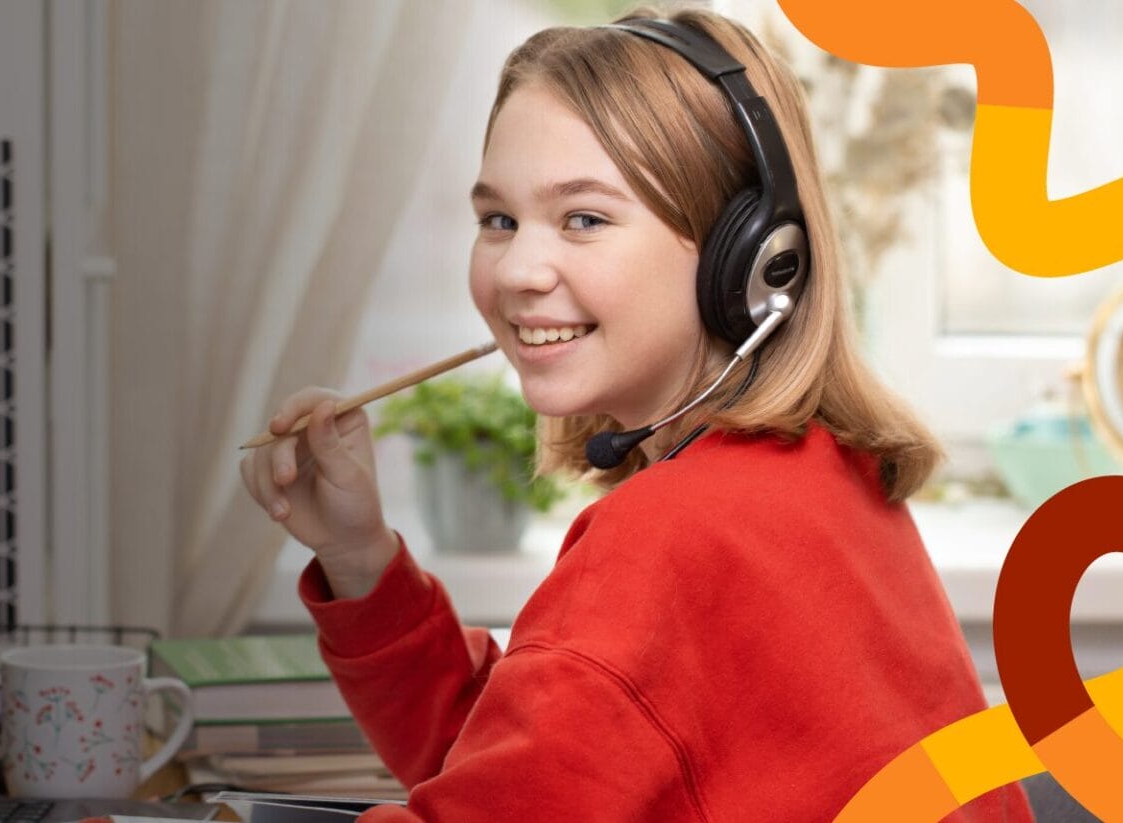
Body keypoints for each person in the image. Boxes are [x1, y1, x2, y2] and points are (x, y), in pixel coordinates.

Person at [238, 7, 1033, 821]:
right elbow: (535, 767)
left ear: (751, 259)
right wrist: (360, 554)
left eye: (583, 218)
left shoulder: (672, 537)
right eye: (497, 220)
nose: (517, 269)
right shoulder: (824, 477)